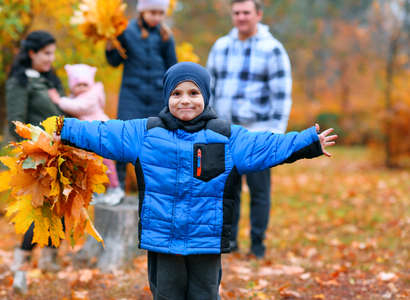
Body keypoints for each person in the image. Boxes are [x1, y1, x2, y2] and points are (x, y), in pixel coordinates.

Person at [57, 62, 337, 299]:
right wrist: (65, 129)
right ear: (167, 96)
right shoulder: (145, 132)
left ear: (206, 95)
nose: (185, 100)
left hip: (206, 240)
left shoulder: (227, 137)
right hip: (162, 240)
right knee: (166, 294)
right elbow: (103, 133)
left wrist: (308, 142)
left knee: (205, 294)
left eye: (193, 92)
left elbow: (266, 146)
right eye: (177, 93)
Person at [207, 0, 292, 258]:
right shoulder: (220, 47)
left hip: (258, 133)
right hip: (224, 132)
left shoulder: (273, 49)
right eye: (236, 13)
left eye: (246, 12)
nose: (241, 17)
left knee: (259, 191)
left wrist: (276, 134)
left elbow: (282, 94)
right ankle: (229, 243)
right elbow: (208, 89)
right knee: (226, 190)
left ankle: (257, 245)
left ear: (258, 14)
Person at [5, 30, 65, 293]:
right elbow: (15, 122)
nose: (51, 58)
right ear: (32, 53)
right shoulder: (20, 82)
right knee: (39, 211)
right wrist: (39, 143)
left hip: (62, 153)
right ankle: (20, 267)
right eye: (46, 53)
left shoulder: (51, 79)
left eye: (53, 53)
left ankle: (51, 263)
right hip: (37, 156)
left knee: (62, 207)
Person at [106, 0, 177, 193]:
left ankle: (155, 187)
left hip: (156, 97)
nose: (156, 17)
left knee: (156, 141)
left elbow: (172, 67)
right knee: (123, 137)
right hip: (132, 95)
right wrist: (111, 45)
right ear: (142, 12)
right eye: (152, 12)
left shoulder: (165, 36)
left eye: (160, 13)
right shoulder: (127, 32)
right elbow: (114, 61)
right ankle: (117, 186)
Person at [49, 64, 124, 205]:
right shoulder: (77, 97)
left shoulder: (91, 96)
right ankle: (99, 191)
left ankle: (115, 188)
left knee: (106, 163)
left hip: (100, 135)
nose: (82, 87)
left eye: (85, 84)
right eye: (78, 85)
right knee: (91, 165)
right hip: (91, 139)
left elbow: (77, 107)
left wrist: (59, 100)